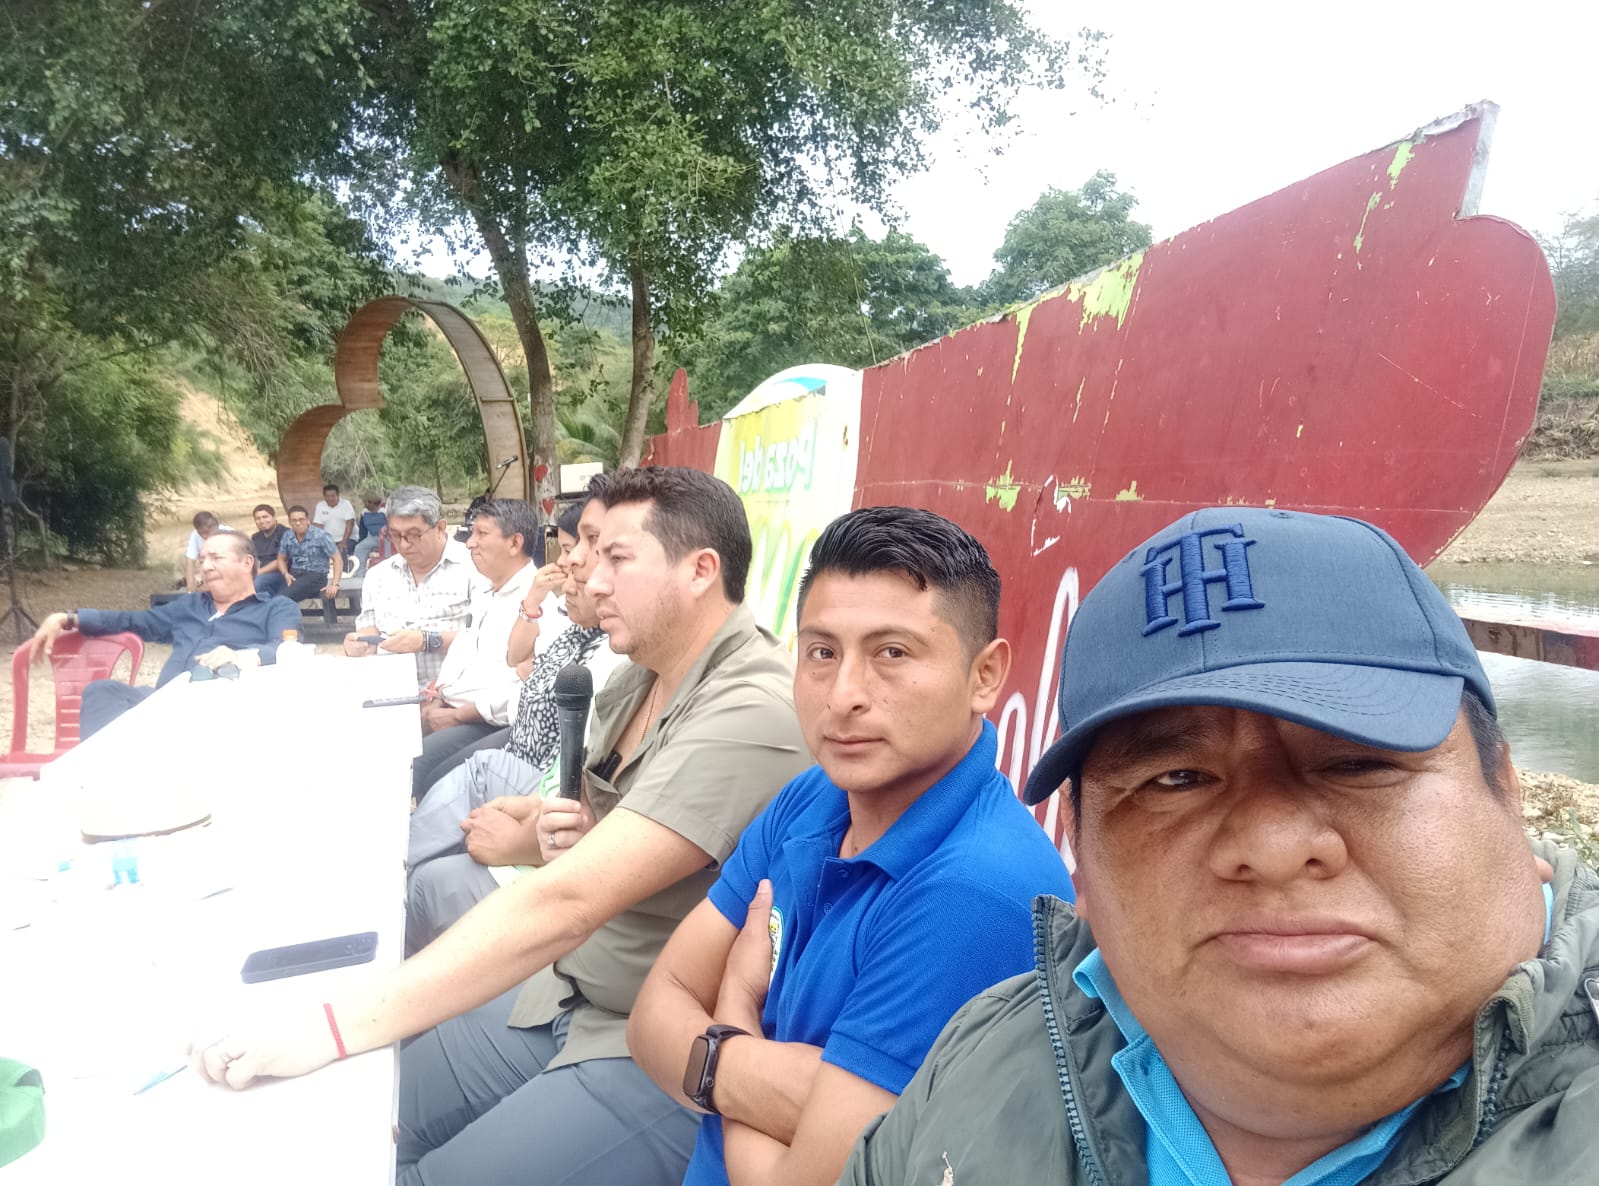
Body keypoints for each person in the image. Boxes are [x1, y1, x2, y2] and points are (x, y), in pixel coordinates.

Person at [839, 506, 1599, 1186]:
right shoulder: (980, 1061)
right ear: (1081, 856)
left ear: (1505, 793)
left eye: (1359, 763)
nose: (1271, 846)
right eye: (1176, 779)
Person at [189, 466, 812, 1186]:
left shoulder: (753, 709)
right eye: (592, 553)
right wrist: (554, 828)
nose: (592, 579)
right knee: (362, 1124)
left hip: (654, 1043)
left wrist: (330, 1023)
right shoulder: (640, 671)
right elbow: (600, 840)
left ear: (700, 570)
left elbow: (568, 900)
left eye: (617, 557)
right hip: (565, 989)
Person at [628, 506, 1074, 1186]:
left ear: (984, 676)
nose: (843, 697)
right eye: (821, 652)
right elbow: (652, 1013)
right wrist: (749, 1068)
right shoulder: (815, 795)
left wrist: (731, 1013)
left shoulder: (975, 890)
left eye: (891, 653)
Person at [405, 491, 627, 952]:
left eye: (590, 546)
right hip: (525, 755)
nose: (570, 563)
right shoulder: (563, 621)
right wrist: (534, 602)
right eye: (572, 548)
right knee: (456, 776)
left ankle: (403, 870)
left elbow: (590, 799)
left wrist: (522, 838)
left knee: (444, 789)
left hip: (534, 765)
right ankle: (403, 862)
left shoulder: (609, 647)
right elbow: (519, 660)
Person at [29, 530, 301, 736]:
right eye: (202, 560)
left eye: (216, 558)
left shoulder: (276, 608)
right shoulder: (190, 606)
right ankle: (98, 778)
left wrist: (241, 657)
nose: (205, 567)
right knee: (103, 692)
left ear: (247, 563)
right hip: (162, 703)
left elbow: (286, 649)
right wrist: (70, 618)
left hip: (218, 713)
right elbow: (135, 621)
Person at [408, 498, 552, 802]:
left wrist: (459, 715)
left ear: (514, 543)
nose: (470, 543)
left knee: (418, 768)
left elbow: (526, 685)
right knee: (396, 751)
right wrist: (439, 695)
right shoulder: (486, 590)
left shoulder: (538, 605)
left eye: (481, 534)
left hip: (487, 722)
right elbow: (463, 647)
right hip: (452, 708)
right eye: (471, 533)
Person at [342, 486, 483, 686]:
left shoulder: (475, 567)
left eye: (414, 535)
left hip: (456, 694)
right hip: (393, 691)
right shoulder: (377, 576)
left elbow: (490, 640)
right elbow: (369, 631)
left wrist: (426, 641)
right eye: (395, 535)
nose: (404, 545)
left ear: (440, 528)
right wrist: (359, 644)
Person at [278, 505, 342, 607]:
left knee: (282, 598)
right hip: (294, 575)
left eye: (301, 519)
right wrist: (285, 573)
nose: (298, 523)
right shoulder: (287, 536)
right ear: (290, 522)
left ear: (308, 520)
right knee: (272, 593)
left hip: (315, 576)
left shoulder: (320, 535)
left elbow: (337, 559)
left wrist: (335, 584)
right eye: (294, 520)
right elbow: (281, 558)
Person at [182, 510, 230, 591]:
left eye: (207, 532)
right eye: (201, 534)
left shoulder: (230, 534)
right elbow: (190, 561)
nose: (204, 536)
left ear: (215, 526)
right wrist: (190, 587)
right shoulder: (195, 535)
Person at [249, 504, 291, 597]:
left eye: (265, 517)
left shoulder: (285, 533)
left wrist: (258, 572)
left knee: (258, 583)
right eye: (258, 518)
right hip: (261, 573)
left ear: (274, 517)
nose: (262, 521)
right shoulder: (255, 537)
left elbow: (282, 560)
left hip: (282, 573)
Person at [313, 482, 356, 560]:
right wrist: (321, 542)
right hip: (329, 541)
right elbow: (318, 526)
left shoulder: (346, 504)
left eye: (333, 496)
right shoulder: (320, 505)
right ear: (324, 496)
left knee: (340, 553)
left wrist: (343, 542)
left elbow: (350, 524)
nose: (330, 498)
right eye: (327, 496)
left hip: (347, 539)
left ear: (338, 495)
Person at [351, 494, 388, 575]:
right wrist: (361, 541)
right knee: (359, 548)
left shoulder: (385, 512)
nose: (364, 504)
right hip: (372, 537)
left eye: (366, 502)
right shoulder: (364, 513)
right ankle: (360, 573)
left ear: (373, 503)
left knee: (387, 552)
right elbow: (363, 530)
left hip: (386, 537)